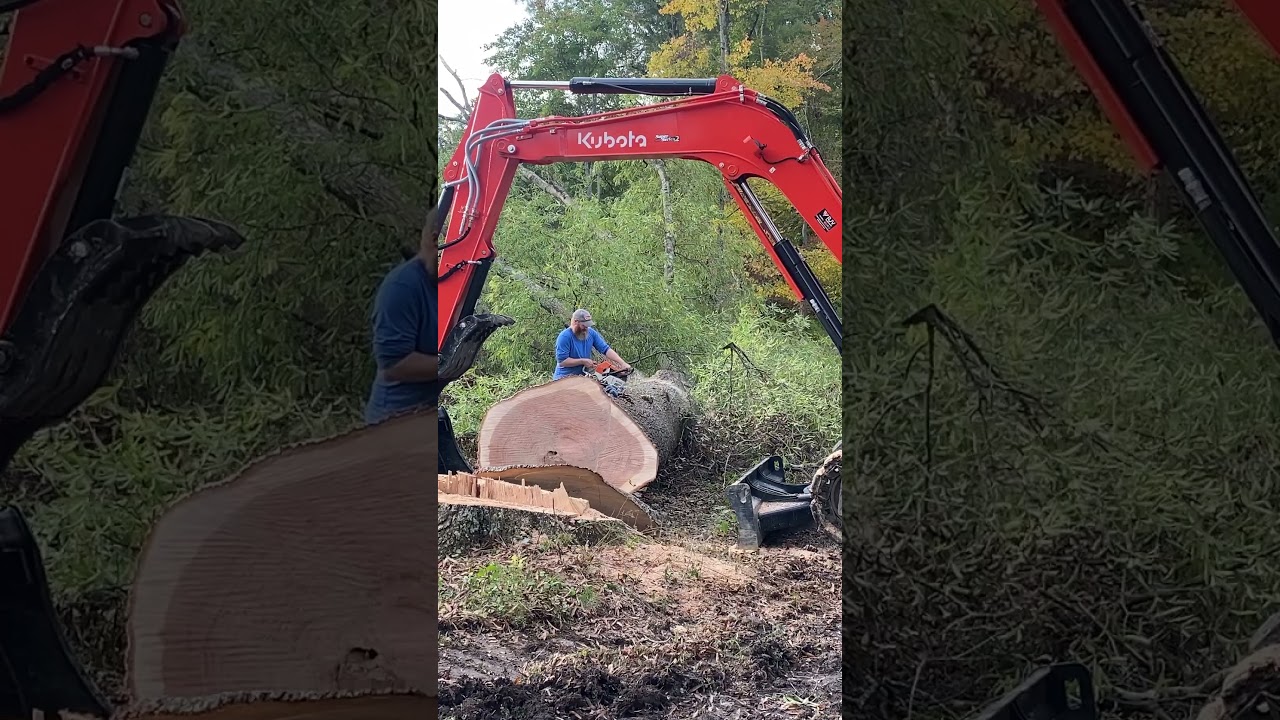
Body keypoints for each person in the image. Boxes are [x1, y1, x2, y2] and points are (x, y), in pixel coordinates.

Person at [363, 210, 439, 424]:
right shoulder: (401, 287)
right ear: (435, 240)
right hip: (395, 424)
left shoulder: (445, 283)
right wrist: (447, 364)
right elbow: (394, 365)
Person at [552, 308, 631, 380]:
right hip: (564, 378)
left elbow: (606, 349)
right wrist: (583, 361)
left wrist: (622, 363)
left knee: (613, 377)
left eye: (588, 325)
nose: (586, 328)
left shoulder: (591, 333)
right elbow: (562, 362)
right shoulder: (564, 337)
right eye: (584, 325)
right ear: (576, 322)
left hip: (582, 377)